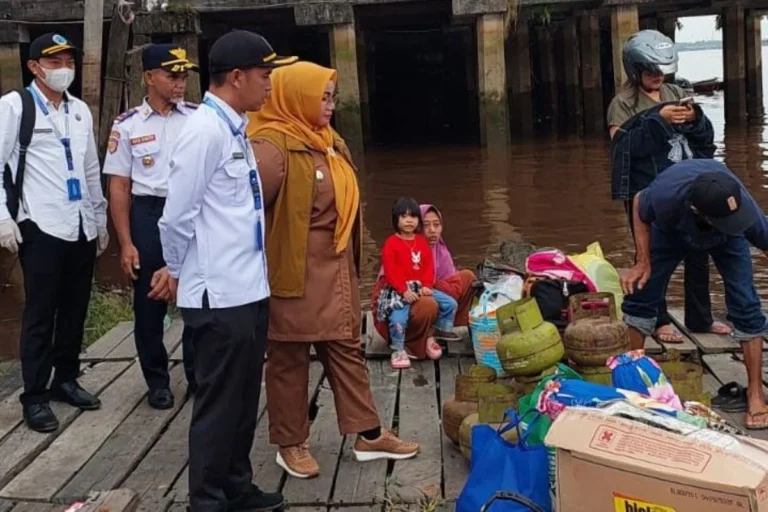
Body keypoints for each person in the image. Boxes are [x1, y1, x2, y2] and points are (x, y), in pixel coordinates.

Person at [247, 60, 420, 480]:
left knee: (346, 350)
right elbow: (240, 211)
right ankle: (291, 443)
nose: (329, 106)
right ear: (296, 97)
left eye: (331, 97)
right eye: (321, 97)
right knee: (288, 357)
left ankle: (368, 432)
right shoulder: (272, 148)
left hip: (335, 273)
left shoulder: (325, 140)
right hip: (295, 274)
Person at [158, 30, 293, 511]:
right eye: (264, 75)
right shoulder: (204, 132)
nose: (270, 85)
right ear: (237, 77)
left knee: (240, 401)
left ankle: (237, 485)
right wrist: (177, 271)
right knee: (218, 404)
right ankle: (208, 500)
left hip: (248, 288)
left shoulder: (234, 126)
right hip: (218, 296)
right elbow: (176, 216)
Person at [0, 33, 109, 433]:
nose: (65, 67)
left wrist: (98, 219)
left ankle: (66, 377)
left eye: (68, 59)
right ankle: (35, 394)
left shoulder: (79, 111)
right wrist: (2, 218)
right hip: (41, 225)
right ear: (34, 67)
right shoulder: (15, 107)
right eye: (56, 60)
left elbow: (91, 169)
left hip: (78, 223)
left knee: (75, 307)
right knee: (40, 313)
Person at [621, 159, 768, 429]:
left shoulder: (741, 210)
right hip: (671, 231)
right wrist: (642, 259)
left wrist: (732, 225)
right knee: (642, 294)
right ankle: (634, 383)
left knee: (746, 302)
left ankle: (756, 393)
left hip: (728, 238)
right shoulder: (667, 197)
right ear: (696, 210)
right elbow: (640, 203)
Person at [607, 29, 729, 344]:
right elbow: (625, 149)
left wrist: (696, 118)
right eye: (649, 70)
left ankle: (701, 318)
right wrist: (659, 120)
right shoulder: (622, 104)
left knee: (699, 249)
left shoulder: (678, 92)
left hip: (685, 184)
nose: (657, 76)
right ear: (635, 70)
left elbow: (704, 141)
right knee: (652, 256)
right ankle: (658, 319)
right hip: (647, 190)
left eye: (661, 69)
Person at [103, 44, 198, 409]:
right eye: (172, 76)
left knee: (194, 294)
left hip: (188, 211)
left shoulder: (195, 117)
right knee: (149, 302)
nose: (180, 83)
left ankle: (197, 375)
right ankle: (157, 381)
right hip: (148, 212)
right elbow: (119, 186)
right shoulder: (127, 125)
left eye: (183, 76)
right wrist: (125, 242)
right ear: (149, 77)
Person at [379, 197, 455, 369]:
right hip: (398, 290)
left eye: (413, 217)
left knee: (450, 303)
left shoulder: (420, 241)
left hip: (420, 287)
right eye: (404, 217)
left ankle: (435, 334)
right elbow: (390, 272)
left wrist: (427, 285)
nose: (408, 221)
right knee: (398, 318)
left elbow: (428, 267)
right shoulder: (391, 243)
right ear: (396, 219)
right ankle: (398, 350)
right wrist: (403, 290)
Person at [420, 203, 476, 327]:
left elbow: (454, 286)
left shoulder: (441, 251)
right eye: (426, 225)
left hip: (441, 294)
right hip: (420, 298)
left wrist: (436, 284)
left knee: (468, 277)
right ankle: (427, 334)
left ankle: (458, 324)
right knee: (427, 303)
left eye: (436, 225)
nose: (432, 230)